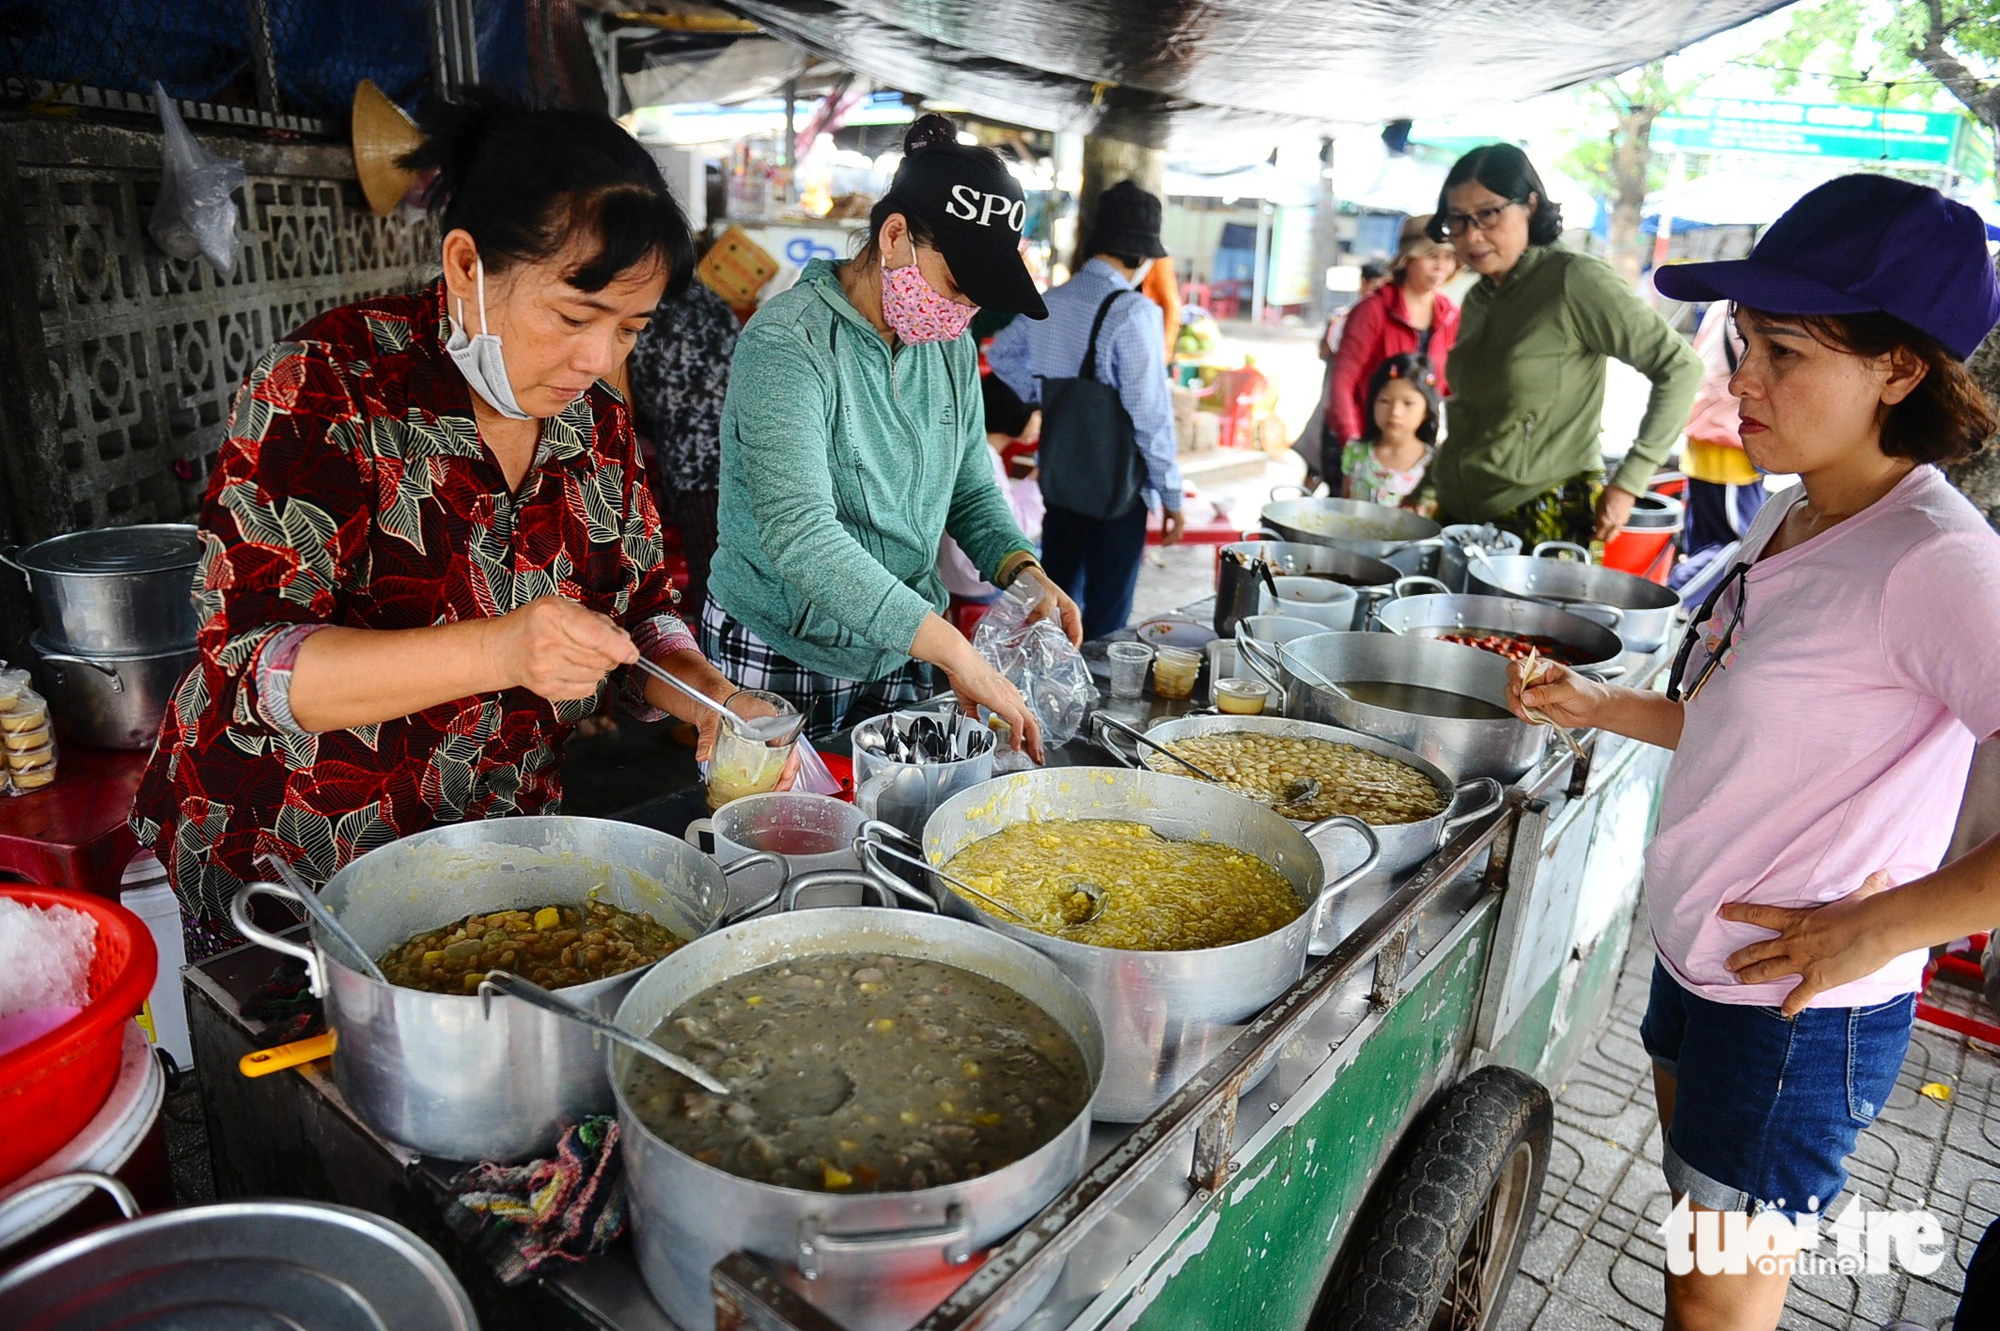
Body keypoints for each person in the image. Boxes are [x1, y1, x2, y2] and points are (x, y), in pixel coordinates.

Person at [1509, 174, 2000, 1331]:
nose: (1741, 381)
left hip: (1792, 1017)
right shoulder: (1798, 510)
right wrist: (1599, 704)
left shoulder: (1932, 558)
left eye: (1782, 351)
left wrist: (1886, 924)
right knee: (1693, 1246)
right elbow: (1744, 719)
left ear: (1899, 367)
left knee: (1715, 1302)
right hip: (1697, 968)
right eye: (1742, 343)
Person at [130, 97, 776, 958]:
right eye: (575, 318)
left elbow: (642, 610)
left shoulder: (597, 423)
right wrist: (503, 650)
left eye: (630, 330)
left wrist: (710, 697)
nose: (598, 360)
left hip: (494, 859)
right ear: (467, 263)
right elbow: (256, 670)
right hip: (293, 870)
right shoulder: (330, 385)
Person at [705, 114, 1079, 753]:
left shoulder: (948, 347)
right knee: (786, 839)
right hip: (783, 647)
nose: (963, 314)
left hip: (902, 644)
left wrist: (1022, 569)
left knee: (895, 823)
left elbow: (967, 486)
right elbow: (801, 534)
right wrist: (956, 652)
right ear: (895, 236)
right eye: (957, 288)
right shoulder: (785, 343)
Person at [1424, 144, 1702, 546]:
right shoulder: (1479, 296)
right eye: (1458, 221)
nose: (1472, 235)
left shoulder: (1574, 280)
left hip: (1546, 512)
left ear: (1531, 206)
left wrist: (1630, 481)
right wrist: (1431, 486)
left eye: (1488, 214)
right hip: (1460, 511)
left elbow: (1680, 367)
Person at [988, 179, 1185, 640]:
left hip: (1058, 480)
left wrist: (1044, 393)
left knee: (1055, 603)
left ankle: (1051, 688)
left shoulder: (1050, 302)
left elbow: (1001, 356)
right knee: (1107, 615)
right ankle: (1095, 698)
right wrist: (1170, 494)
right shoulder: (1134, 312)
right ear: (1140, 256)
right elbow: (1149, 416)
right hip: (1116, 493)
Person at [625, 271, 739, 621]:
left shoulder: (640, 307)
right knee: (735, 582)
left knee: (717, 592)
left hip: (697, 467)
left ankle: (716, 667)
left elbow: (619, 402)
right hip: (743, 454)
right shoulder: (710, 301)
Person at [1325, 216, 1459, 465]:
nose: (1441, 267)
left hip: (1413, 452)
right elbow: (1342, 383)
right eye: (1432, 256)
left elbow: (1451, 388)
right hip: (1364, 441)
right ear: (1408, 258)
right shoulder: (1373, 309)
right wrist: (1354, 447)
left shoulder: (1450, 315)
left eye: (1449, 257)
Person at [1676, 300, 1769, 567]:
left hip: (1704, 437)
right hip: (1728, 446)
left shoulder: (1722, 307)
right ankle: (1670, 598)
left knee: (1705, 545)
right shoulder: (1755, 309)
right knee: (1740, 550)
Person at [1340, 353, 1439, 507]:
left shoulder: (1433, 464)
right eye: (1385, 401)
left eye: (1408, 403)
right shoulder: (1356, 451)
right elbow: (1342, 507)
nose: (1395, 412)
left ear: (1427, 410)